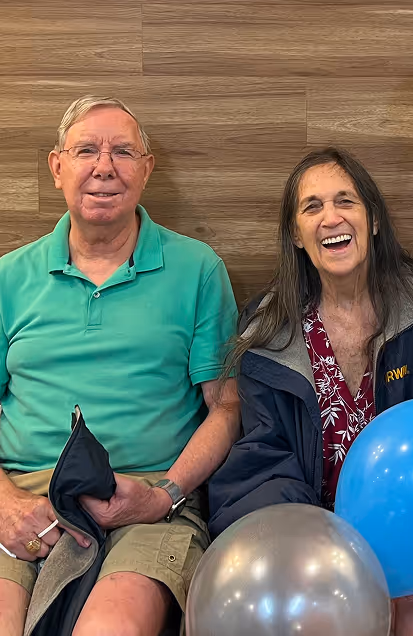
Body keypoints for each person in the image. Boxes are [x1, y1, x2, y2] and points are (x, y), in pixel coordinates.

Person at [207, 147, 413, 636]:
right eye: (312, 207)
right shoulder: (267, 333)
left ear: (372, 220)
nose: (331, 217)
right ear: (296, 234)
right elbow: (262, 461)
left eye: (345, 201)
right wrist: (320, 556)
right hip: (314, 553)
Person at [0, 96, 240, 636]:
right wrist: (5, 503)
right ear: (57, 166)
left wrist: (164, 495)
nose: (104, 166)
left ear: (146, 169)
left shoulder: (198, 269)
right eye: (86, 150)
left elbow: (227, 408)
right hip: (23, 495)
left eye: (123, 152)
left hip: (150, 501)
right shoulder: (7, 278)